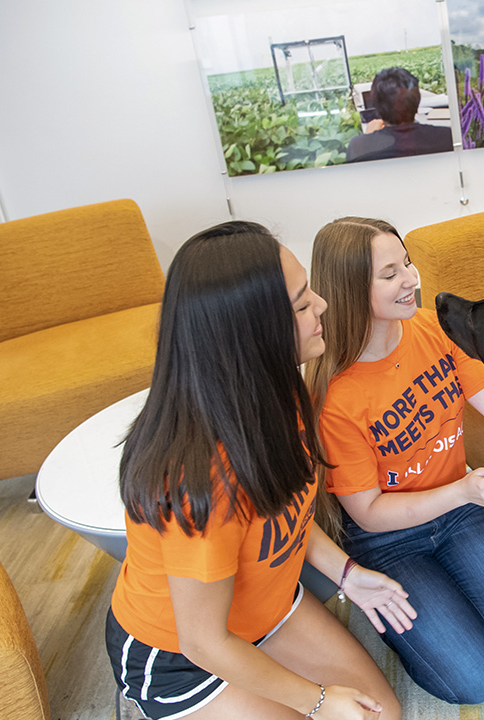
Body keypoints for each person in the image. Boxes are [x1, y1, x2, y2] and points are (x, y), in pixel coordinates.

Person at [107, 221, 415, 720]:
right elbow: (204, 642)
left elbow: (285, 515)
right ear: (252, 333)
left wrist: (348, 575)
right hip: (183, 657)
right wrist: (316, 700)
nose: (323, 305)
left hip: (264, 610)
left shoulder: (278, 395)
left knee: (381, 714)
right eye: (300, 304)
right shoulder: (199, 482)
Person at [305, 217, 484, 704]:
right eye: (390, 272)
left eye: (408, 263)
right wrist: (463, 490)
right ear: (352, 289)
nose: (412, 279)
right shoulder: (335, 394)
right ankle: (410, 629)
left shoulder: (432, 329)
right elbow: (368, 512)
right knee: (473, 682)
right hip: (386, 539)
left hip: (456, 514)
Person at [347, 67, 452, 164]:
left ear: (377, 107)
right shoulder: (447, 137)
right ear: (418, 100)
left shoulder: (358, 146)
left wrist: (368, 139)